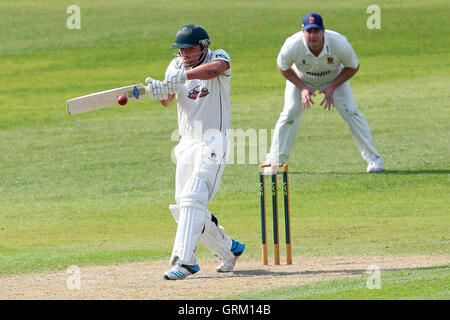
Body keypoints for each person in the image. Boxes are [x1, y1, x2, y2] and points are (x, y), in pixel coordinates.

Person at [145, 24, 245, 280]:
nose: (185, 54)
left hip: (214, 140)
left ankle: (185, 261)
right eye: (181, 50)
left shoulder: (219, 57)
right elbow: (168, 99)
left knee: (193, 197)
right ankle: (228, 248)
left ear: (204, 45)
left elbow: (217, 70)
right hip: (187, 142)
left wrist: (184, 77)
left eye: (190, 48)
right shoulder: (175, 66)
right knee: (183, 207)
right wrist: (159, 91)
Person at [265, 13, 382, 173]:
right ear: (302, 31)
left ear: (323, 31)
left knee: (351, 112)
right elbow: (282, 67)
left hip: (334, 78)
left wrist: (333, 86)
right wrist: (303, 88)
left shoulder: (339, 43)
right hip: (301, 79)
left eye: (316, 31)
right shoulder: (292, 45)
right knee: (289, 113)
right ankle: (274, 161)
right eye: (309, 31)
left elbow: (353, 66)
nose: (313, 36)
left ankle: (374, 159)